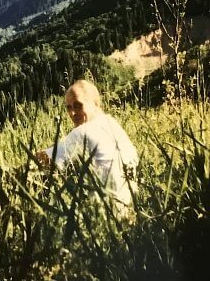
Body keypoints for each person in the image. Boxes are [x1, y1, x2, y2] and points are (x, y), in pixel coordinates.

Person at [38, 79, 138, 209]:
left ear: (96, 104)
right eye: (69, 107)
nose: (72, 113)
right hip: (130, 207)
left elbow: (41, 160)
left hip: (106, 212)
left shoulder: (83, 132)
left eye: (78, 105)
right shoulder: (112, 124)